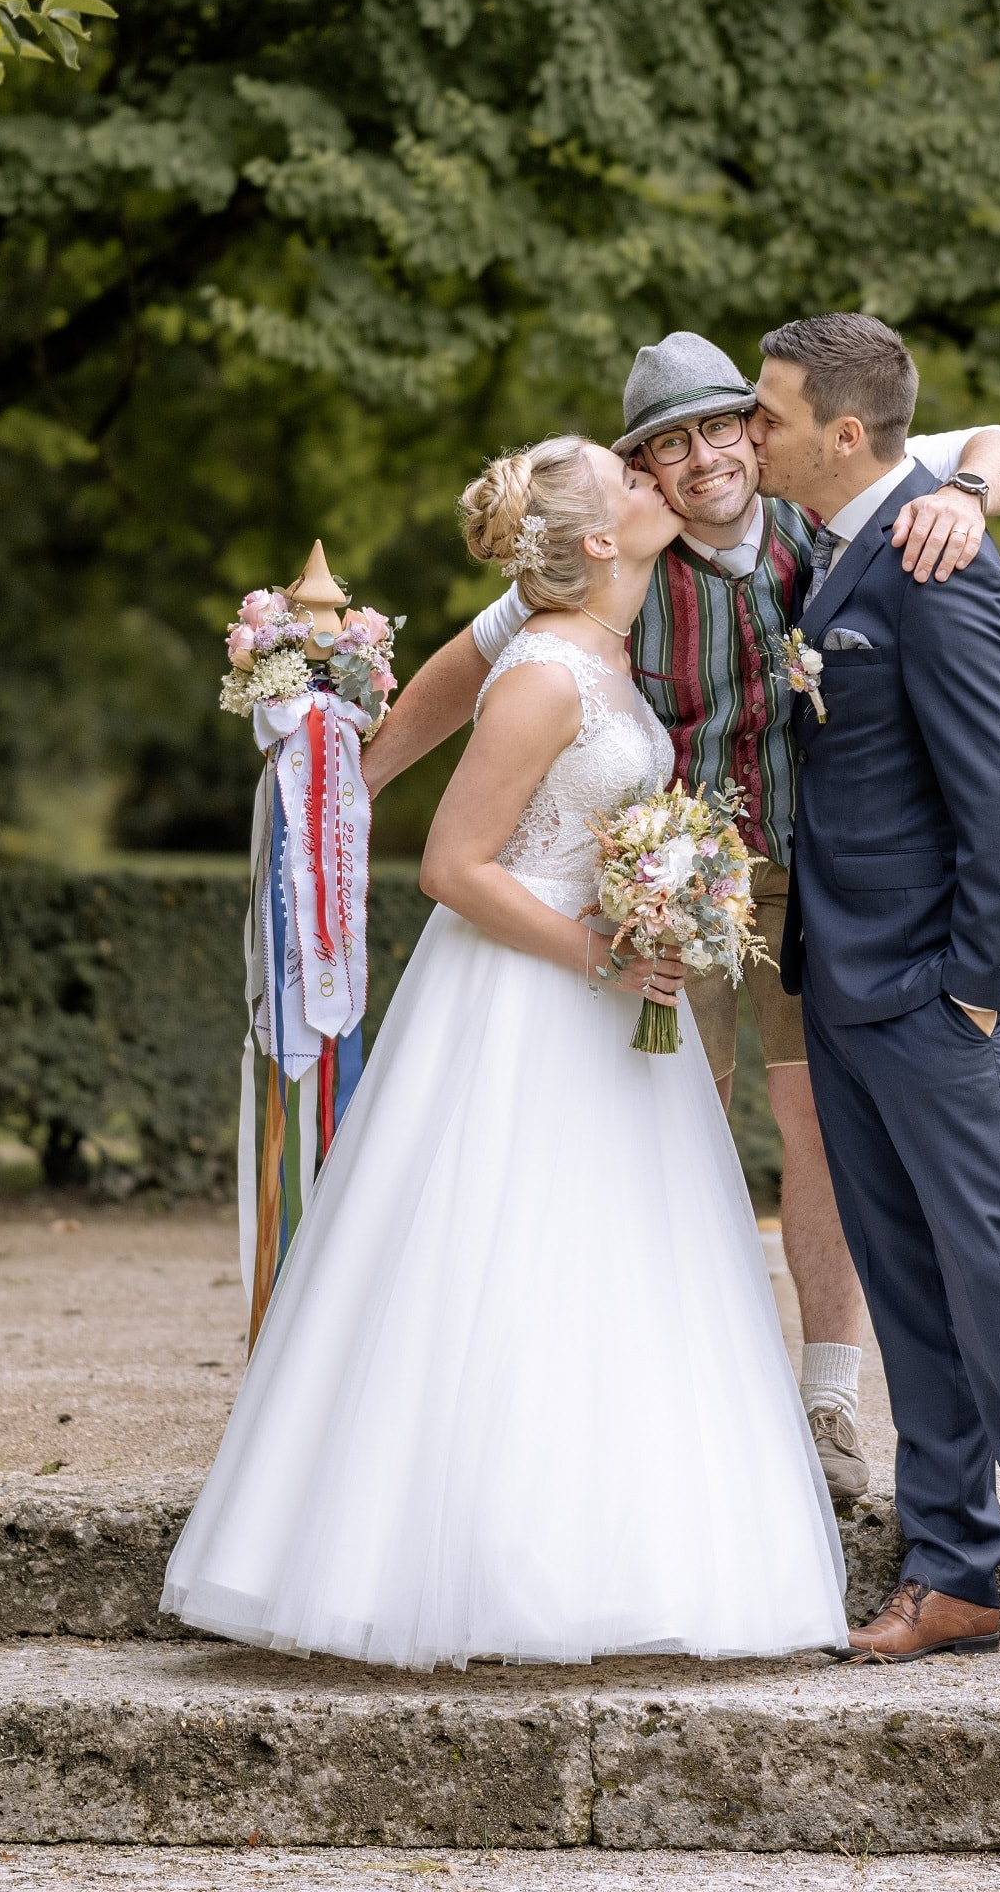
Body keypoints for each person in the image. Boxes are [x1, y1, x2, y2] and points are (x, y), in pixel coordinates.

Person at [161, 435, 847, 1667]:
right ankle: (472, 1561)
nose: (660, 483)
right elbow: (451, 867)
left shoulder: (606, 648)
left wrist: (663, 906)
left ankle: (624, 1546)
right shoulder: (542, 674)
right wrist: (599, 951)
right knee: (502, 1257)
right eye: (635, 481)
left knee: (620, 1265)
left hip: (612, 998)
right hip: (527, 1002)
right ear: (597, 540)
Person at [362, 334, 1000, 1504]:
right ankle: (673, 1394)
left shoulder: (832, 510)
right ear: (646, 472)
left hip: (806, 886)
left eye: (716, 426)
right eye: (663, 446)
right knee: (669, 1132)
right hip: (657, 888)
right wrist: (347, 789)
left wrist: (968, 498)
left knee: (819, 1129)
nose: (699, 458)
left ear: (756, 429)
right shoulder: (616, 554)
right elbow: (467, 666)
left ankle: (828, 1399)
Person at [751, 313, 1000, 1689]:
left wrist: (974, 994)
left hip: (940, 999)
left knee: (995, 1288)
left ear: (844, 433)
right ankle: (954, 1571)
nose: (754, 432)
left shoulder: (935, 562)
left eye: (771, 414)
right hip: (841, 995)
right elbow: (986, 446)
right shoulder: (845, 541)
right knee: (909, 1292)